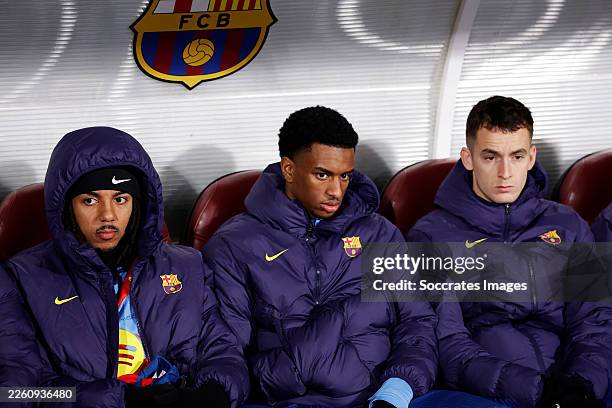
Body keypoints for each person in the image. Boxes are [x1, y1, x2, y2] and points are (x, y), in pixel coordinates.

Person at [203, 106, 437, 407]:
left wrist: (398, 388)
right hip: (289, 399)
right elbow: (227, 350)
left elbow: (416, 321)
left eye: (345, 176)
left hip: (383, 395)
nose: (336, 191)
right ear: (289, 170)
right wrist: (291, 375)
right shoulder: (234, 244)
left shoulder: (380, 233)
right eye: (322, 175)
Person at [4, 127, 248, 408]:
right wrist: (121, 400)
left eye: (120, 199)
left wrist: (213, 396)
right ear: (66, 207)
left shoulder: (188, 266)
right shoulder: (20, 279)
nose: (107, 215)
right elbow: (19, 393)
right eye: (89, 200)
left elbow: (223, 352)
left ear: (138, 204)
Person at [407, 96, 612, 408]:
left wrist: (582, 385)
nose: (505, 172)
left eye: (516, 156)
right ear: (468, 158)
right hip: (486, 392)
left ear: (531, 157)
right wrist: (540, 391)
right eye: (490, 157)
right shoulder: (429, 237)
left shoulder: (568, 224)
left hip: (577, 385)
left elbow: (595, 320)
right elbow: (447, 343)